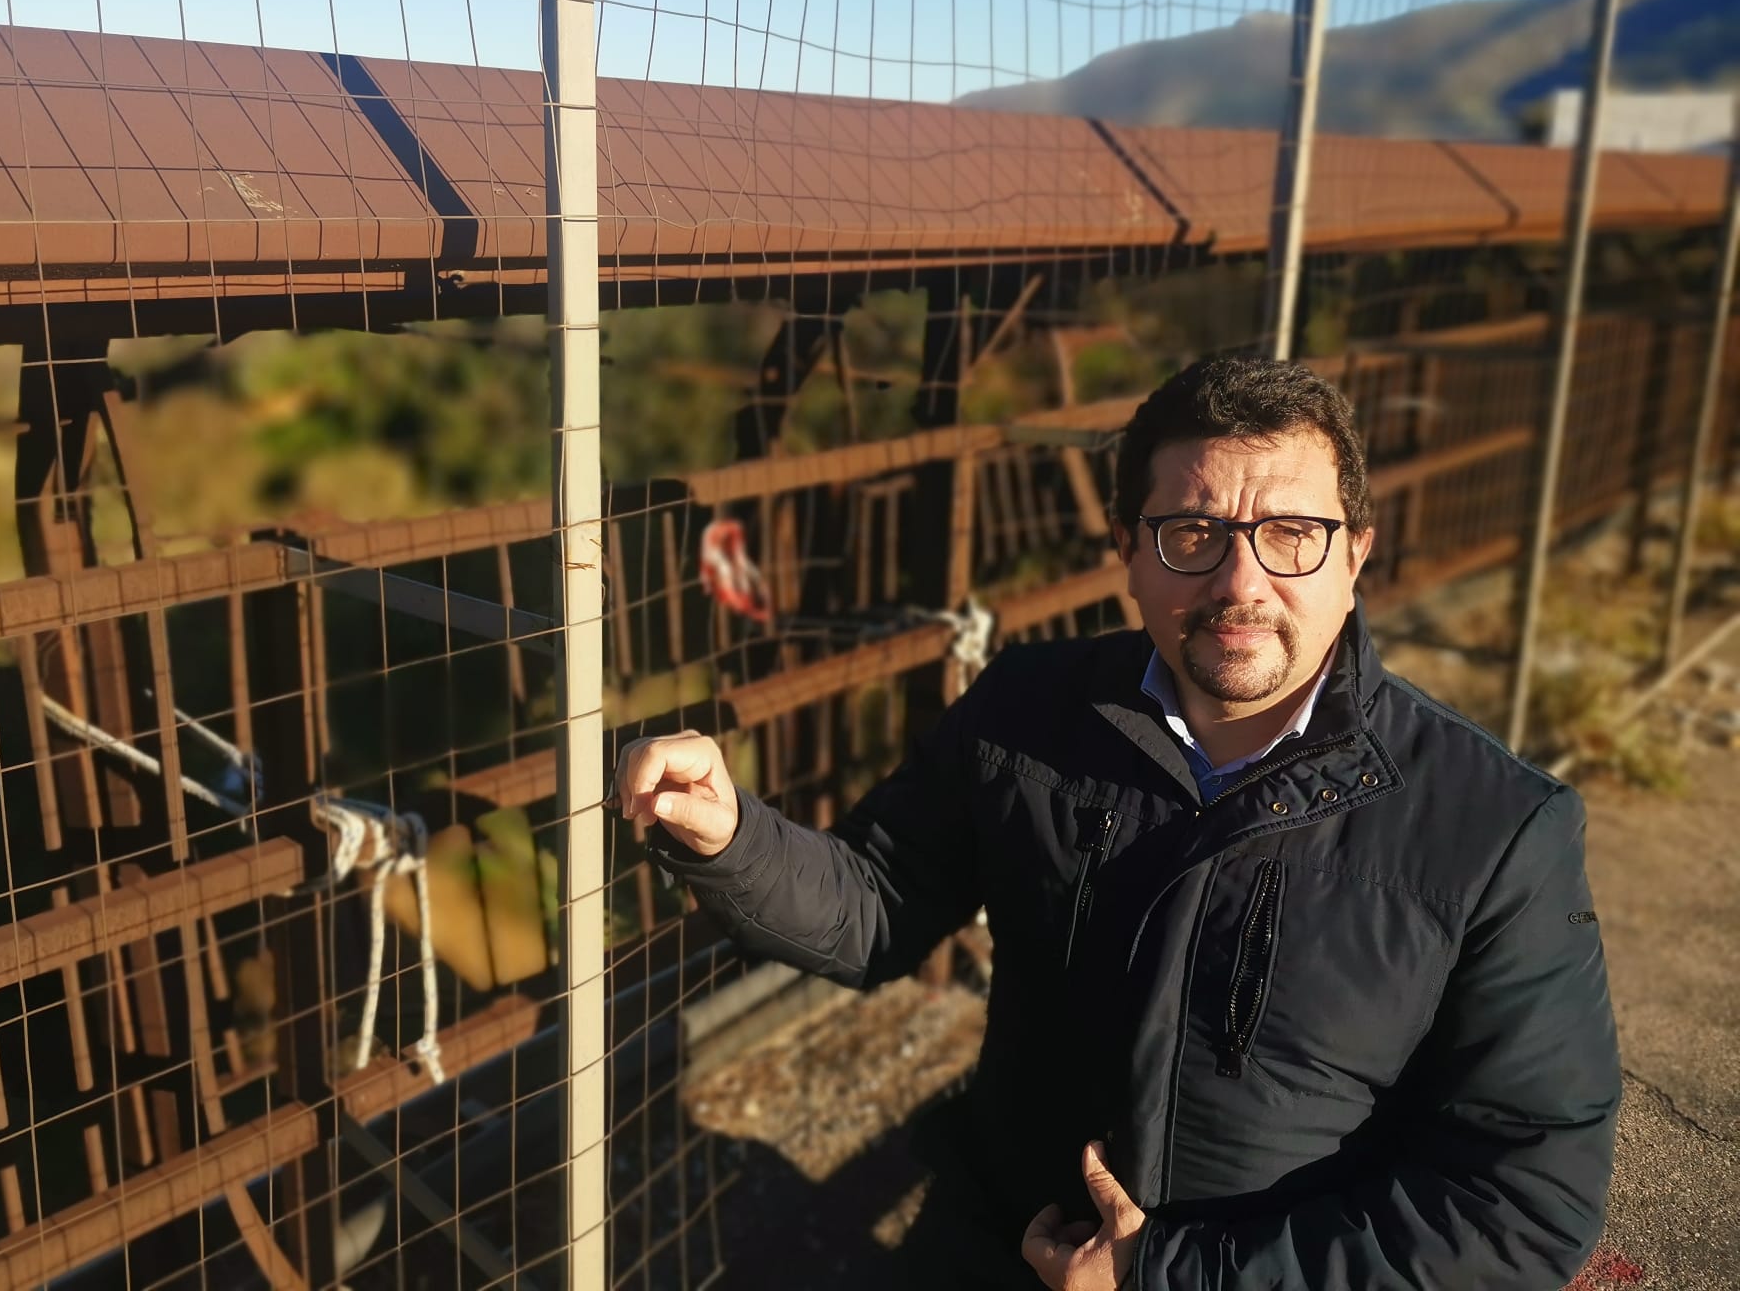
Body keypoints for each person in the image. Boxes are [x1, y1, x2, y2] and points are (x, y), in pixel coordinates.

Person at [616, 357, 1619, 1289]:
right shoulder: (1026, 712)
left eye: (1290, 535)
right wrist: (730, 837)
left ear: (1354, 553)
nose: (1238, 583)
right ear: (1126, 555)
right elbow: (876, 907)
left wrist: (1167, 1275)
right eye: (1192, 534)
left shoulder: (1494, 828)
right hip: (993, 1245)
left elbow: (1523, 1197)